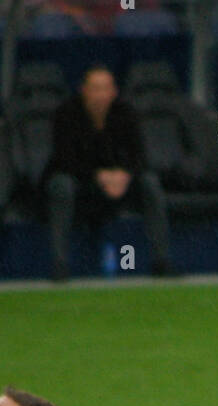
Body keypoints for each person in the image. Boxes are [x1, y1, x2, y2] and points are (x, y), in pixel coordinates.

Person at [45, 65, 175, 279]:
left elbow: (139, 156)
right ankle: (59, 265)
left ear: (114, 91)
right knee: (61, 185)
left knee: (150, 183)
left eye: (105, 88)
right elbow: (64, 159)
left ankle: (161, 261)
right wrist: (99, 176)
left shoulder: (126, 112)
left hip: (120, 182)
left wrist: (123, 176)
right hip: (80, 182)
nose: (100, 94)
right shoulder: (66, 114)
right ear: (83, 90)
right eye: (95, 88)